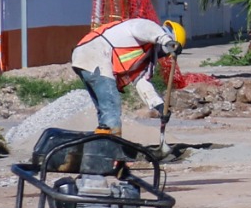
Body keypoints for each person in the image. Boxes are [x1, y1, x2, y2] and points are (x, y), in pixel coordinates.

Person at [69, 15, 183, 167]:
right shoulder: (145, 27)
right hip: (95, 53)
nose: (165, 55)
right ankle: (113, 156)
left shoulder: (147, 53)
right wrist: (166, 40)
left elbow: (142, 81)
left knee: (105, 112)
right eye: (167, 51)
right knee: (111, 108)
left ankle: (101, 151)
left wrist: (159, 105)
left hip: (87, 57)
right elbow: (143, 28)